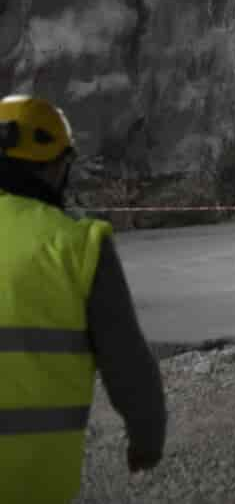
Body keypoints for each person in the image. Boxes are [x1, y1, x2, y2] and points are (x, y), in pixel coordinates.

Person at [0, 95, 166, 502]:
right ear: (58, 167)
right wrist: (147, 435)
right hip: (35, 476)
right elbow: (125, 358)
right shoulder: (78, 245)